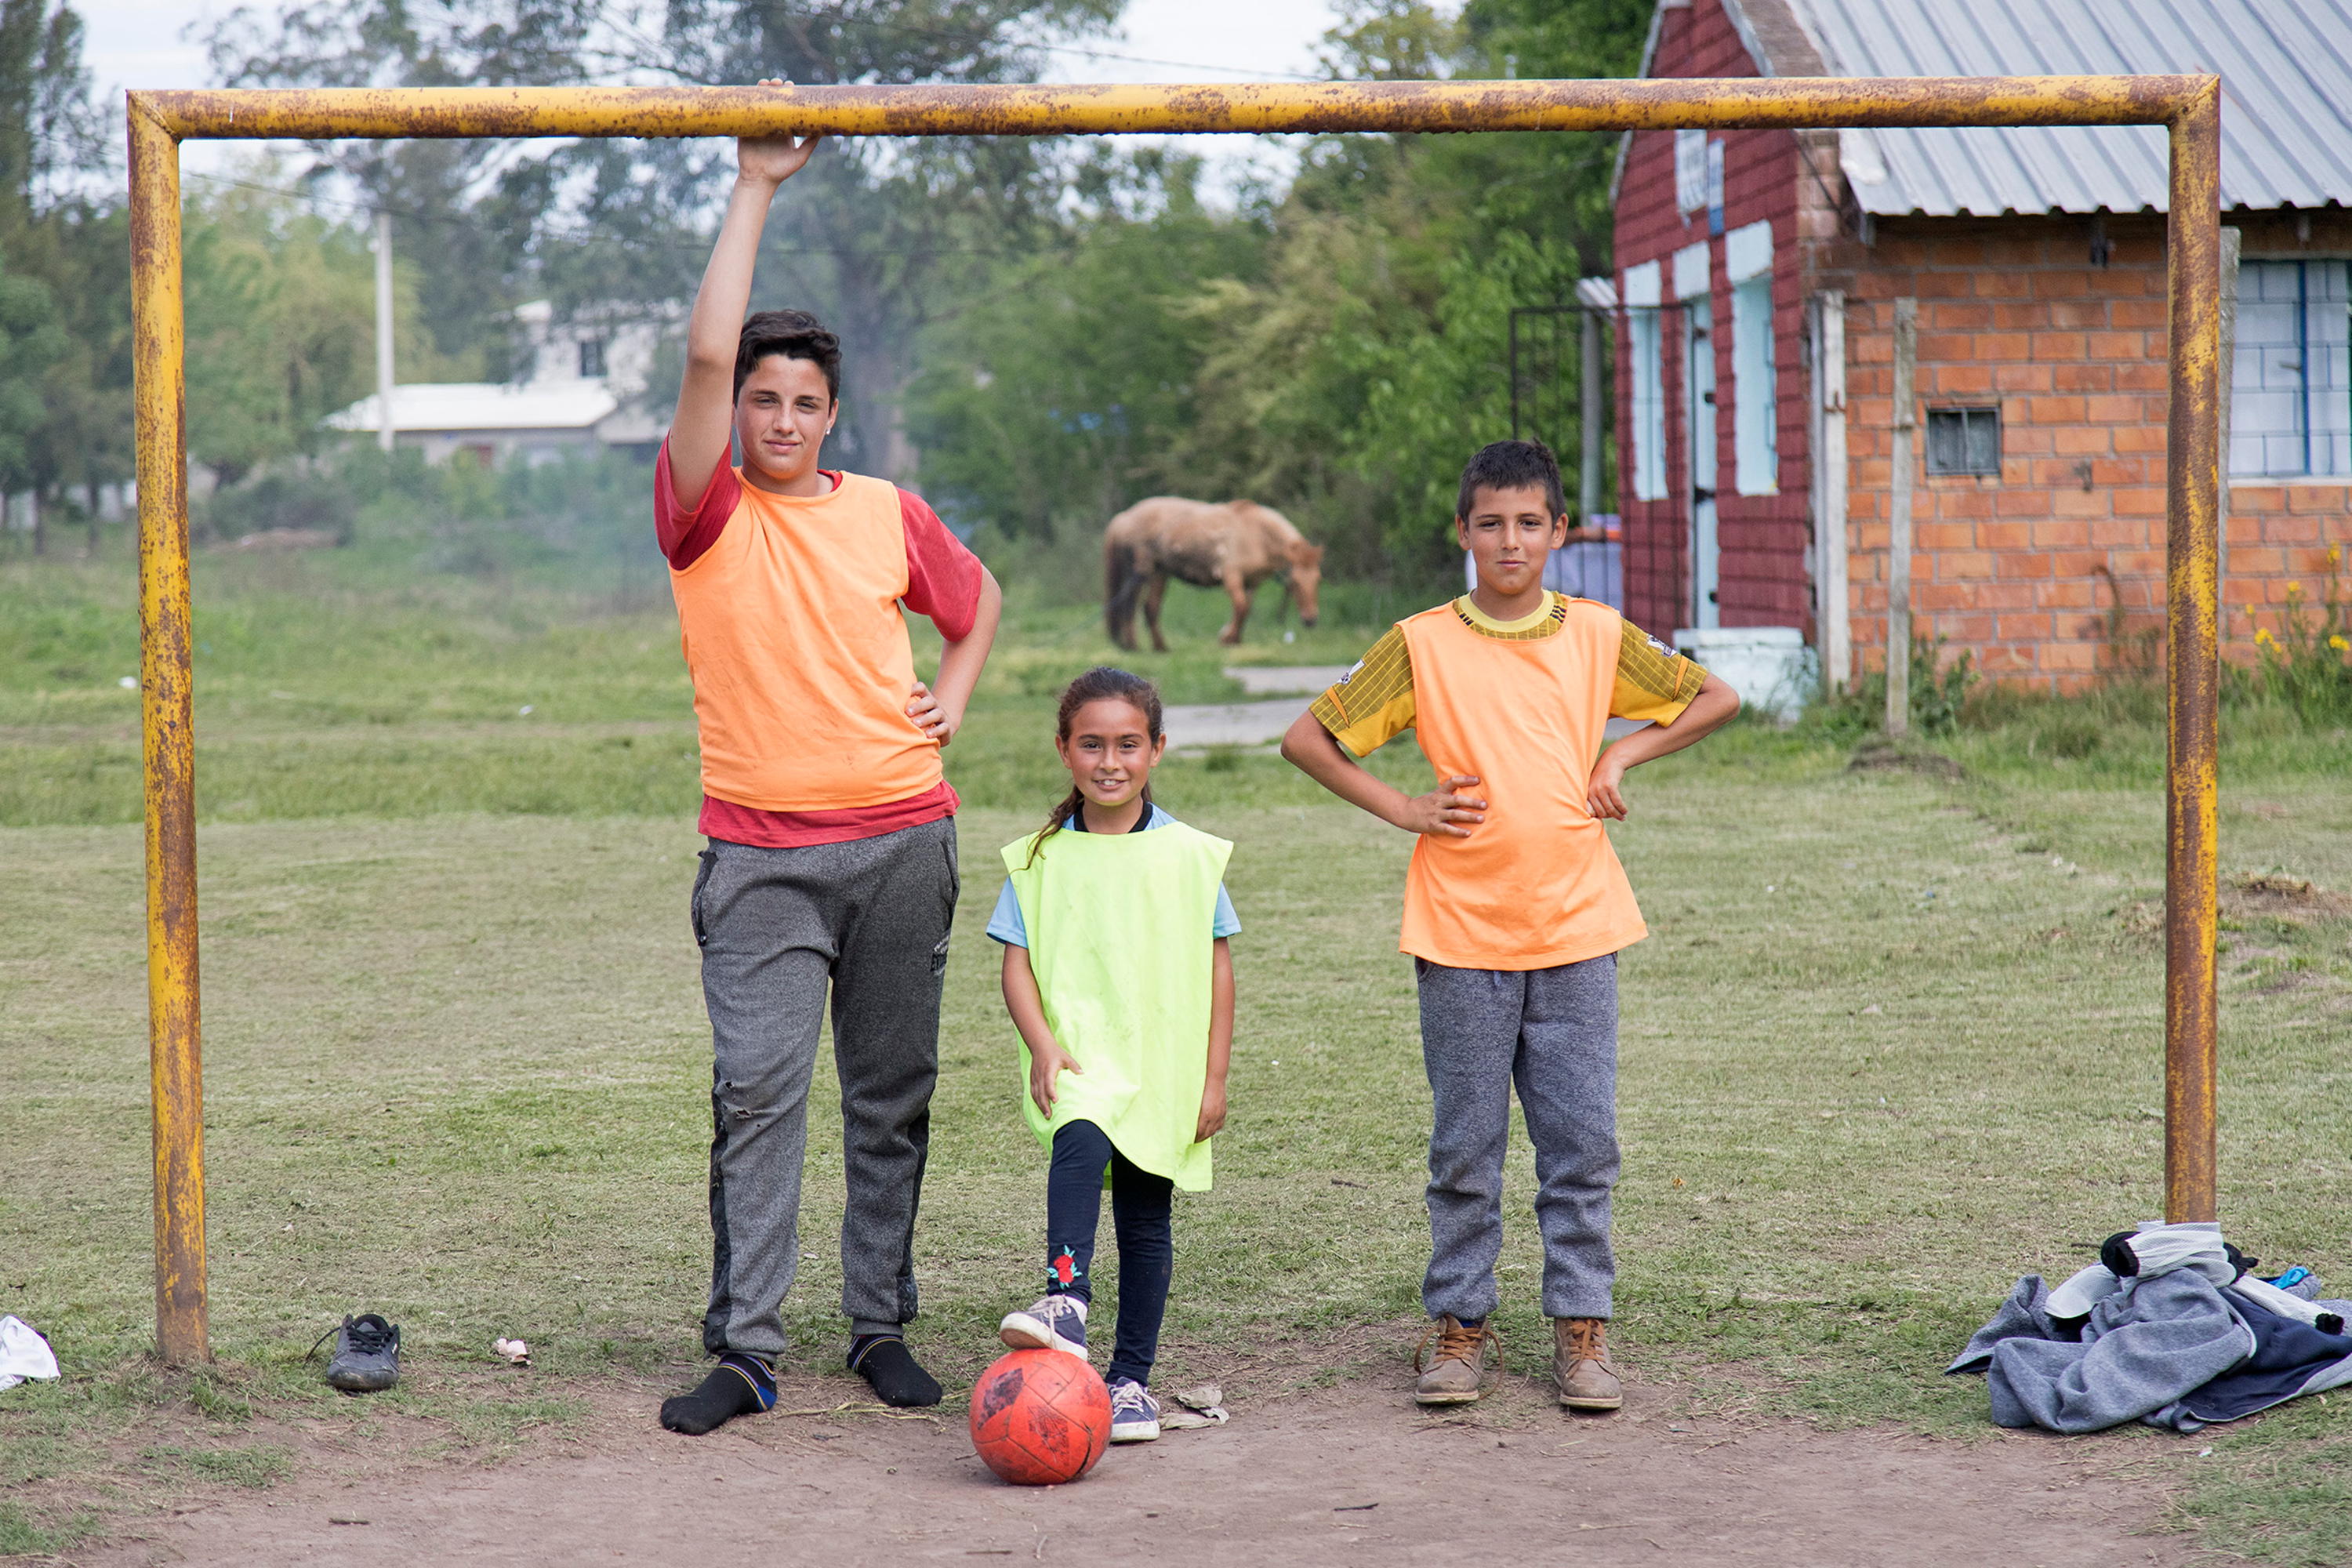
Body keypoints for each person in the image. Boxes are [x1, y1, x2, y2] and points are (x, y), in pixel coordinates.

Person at [655, 121, 1004, 1436]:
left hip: (906, 842)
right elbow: (704, 347)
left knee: (890, 1096)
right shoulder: (703, 511)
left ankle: (877, 1328)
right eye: (762, 399)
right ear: (733, 412)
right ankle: (746, 1353)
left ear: (832, 414)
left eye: (805, 402)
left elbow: (978, 605)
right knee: (755, 1094)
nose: (782, 419)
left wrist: (950, 704)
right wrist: (754, 185)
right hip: (760, 863)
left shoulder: (886, 509)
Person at [1280, 440, 1737, 1414]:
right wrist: (1404, 808)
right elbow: (1307, 737)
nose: (1510, 539)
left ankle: (1582, 1328)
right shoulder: (1422, 641)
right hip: (1459, 931)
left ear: (1560, 532)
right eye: (1490, 522)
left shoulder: (1599, 633)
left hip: (1577, 926)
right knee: (1466, 1145)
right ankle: (1458, 1325)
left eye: (1530, 521)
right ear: (1463, 532)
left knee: (1581, 1141)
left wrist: (1623, 754)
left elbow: (1714, 697)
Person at [989, 667, 1238, 1444]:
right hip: (1083, 1058)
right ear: (1064, 750)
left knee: (1144, 1217)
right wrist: (1043, 1044)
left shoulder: (1191, 857)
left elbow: (1219, 968)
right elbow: (1016, 963)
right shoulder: (1038, 858)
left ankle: (1131, 1381)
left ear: (1157, 749)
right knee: (1076, 1148)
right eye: (1091, 743)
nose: (1109, 760)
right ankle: (1066, 1298)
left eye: (1128, 744)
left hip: (1161, 1064)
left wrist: (1214, 1076)